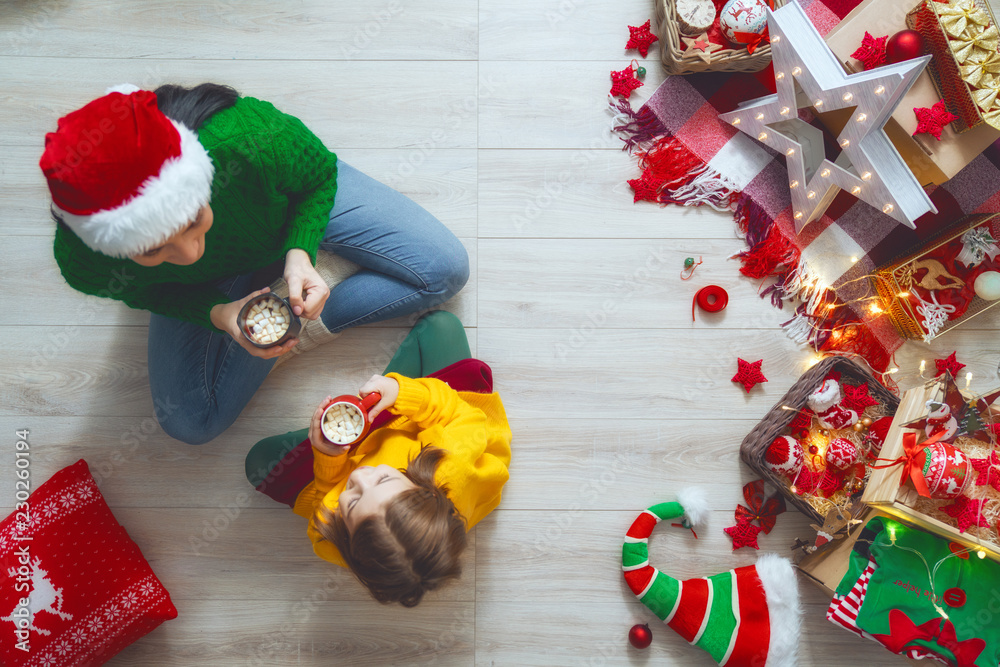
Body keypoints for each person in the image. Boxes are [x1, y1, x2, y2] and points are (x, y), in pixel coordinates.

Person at [40, 83, 469, 445]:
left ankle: (291, 314)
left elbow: (318, 174)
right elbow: (146, 291)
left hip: (282, 214)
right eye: (155, 250)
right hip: (210, 288)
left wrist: (300, 251)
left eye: (194, 220)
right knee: (190, 423)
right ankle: (290, 316)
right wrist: (218, 313)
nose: (191, 254)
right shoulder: (84, 262)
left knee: (446, 269)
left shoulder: (246, 138)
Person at [244, 311, 512, 607]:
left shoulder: (329, 541)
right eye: (384, 478)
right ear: (425, 486)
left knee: (258, 463)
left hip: (353, 451)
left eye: (354, 500)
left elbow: (325, 500)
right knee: (441, 325)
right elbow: (461, 412)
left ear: (347, 542)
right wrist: (400, 393)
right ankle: (390, 394)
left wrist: (328, 457)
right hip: (422, 419)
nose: (359, 476)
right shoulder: (452, 463)